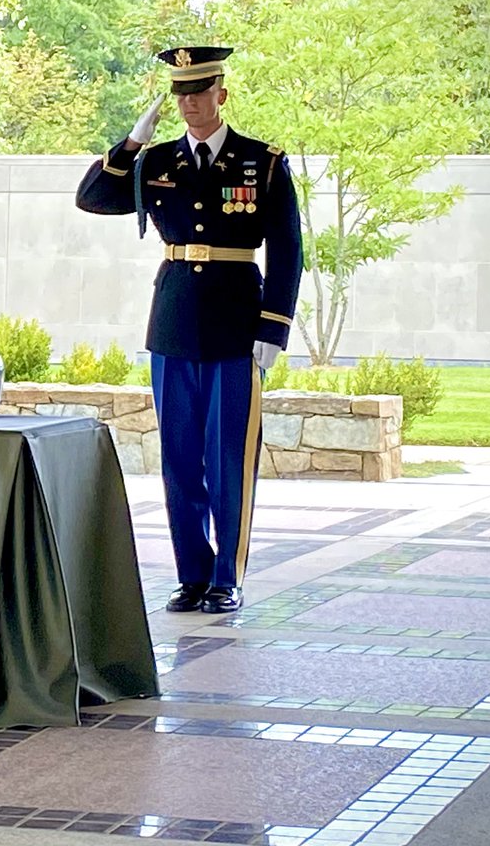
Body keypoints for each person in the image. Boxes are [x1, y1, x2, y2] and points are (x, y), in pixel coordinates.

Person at [76, 47, 303, 614]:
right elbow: (92, 198)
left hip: (235, 321)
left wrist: (273, 327)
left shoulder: (262, 162)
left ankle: (228, 575)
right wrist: (129, 145)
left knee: (227, 457)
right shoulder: (156, 163)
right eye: (181, 95)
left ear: (221, 95)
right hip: (174, 323)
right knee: (178, 459)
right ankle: (193, 575)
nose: (190, 104)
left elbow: (288, 252)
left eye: (200, 93)